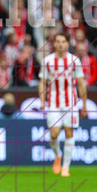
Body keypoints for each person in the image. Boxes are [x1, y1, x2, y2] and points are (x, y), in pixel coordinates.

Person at [38, 33, 88, 178]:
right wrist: (42, 100)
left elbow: (81, 83)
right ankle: (57, 155)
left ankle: (65, 167)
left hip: (70, 103)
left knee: (69, 132)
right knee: (53, 134)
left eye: (63, 41)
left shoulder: (74, 61)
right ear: (54, 44)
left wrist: (84, 105)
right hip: (53, 102)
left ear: (67, 44)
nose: (60, 44)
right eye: (58, 41)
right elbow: (42, 82)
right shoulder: (47, 61)